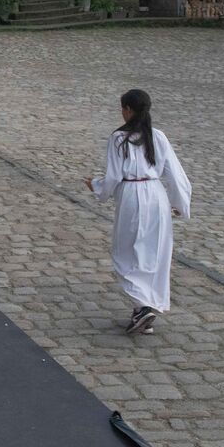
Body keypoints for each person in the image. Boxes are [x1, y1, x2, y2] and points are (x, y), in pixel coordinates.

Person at [84, 90, 191, 337]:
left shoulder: (119, 138)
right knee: (154, 251)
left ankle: (142, 306)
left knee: (126, 252)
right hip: (157, 195)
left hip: (132, 195)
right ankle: (142, 311)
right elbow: (175, 173)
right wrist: (179, 202)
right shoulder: (158, 136)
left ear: (129, 110)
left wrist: (97, 187)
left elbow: (113, 176)